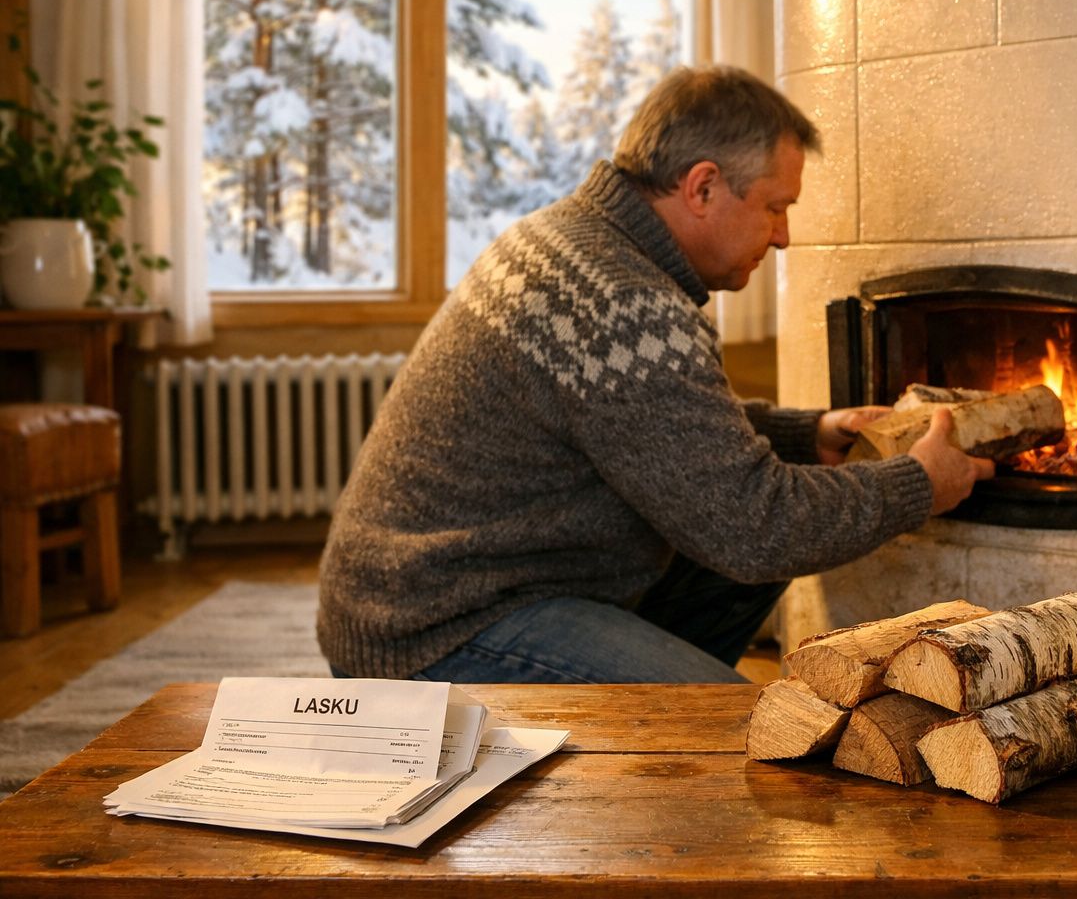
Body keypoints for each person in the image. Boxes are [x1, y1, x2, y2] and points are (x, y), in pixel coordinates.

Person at [317, 65, 993, 684]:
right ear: (702, 187)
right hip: (438, 627)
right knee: (743, 728)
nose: (784, 236)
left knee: (750, 545)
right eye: (774, 207)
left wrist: (807, 435)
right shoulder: (624, 303)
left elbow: (650, 427)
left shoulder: (575, 243)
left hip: (451, 585)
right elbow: (752, 528)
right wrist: (919, 484)